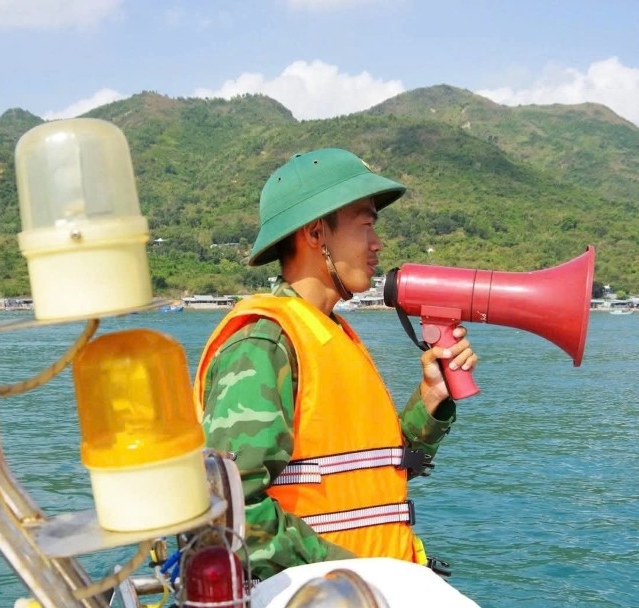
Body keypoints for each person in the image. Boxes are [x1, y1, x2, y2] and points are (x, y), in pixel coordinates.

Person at [194, 148, 476, 580]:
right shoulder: (263, 345)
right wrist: (351, 575)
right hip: (322, 603)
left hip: (365, 597)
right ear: (315, 234)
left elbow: (367, 471)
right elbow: (229, 511)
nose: (377, 243)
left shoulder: (330, 332)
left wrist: (431, 400)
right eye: (365, 225)